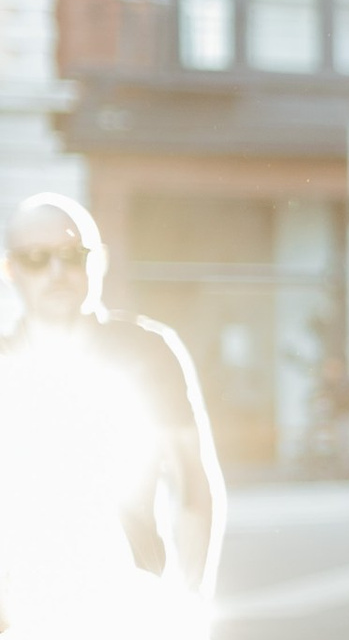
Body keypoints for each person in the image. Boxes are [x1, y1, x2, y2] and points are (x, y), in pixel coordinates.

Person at [0, 192, 224, 595]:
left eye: (72, 255)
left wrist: (191, 609)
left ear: (97, 260)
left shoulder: (148, 351)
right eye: (37, 258)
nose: (56, 271)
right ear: (11, 268)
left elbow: (193, 487)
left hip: (125, 609)